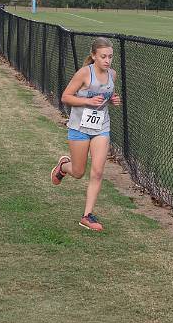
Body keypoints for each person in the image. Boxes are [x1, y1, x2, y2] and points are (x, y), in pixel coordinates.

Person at [50, 37, 122, 231]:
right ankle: (64, 167)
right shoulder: (84, 74)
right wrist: (87, 102)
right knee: (79, 172)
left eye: (110, 57)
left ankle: (87, 216)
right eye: (103, 57)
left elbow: (103, 99)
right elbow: (66, 97)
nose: (107, 61)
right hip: (79, 128)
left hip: (101, 128)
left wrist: (112, 100)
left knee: (98, 171)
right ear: (94, 56)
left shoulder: (112, 75)